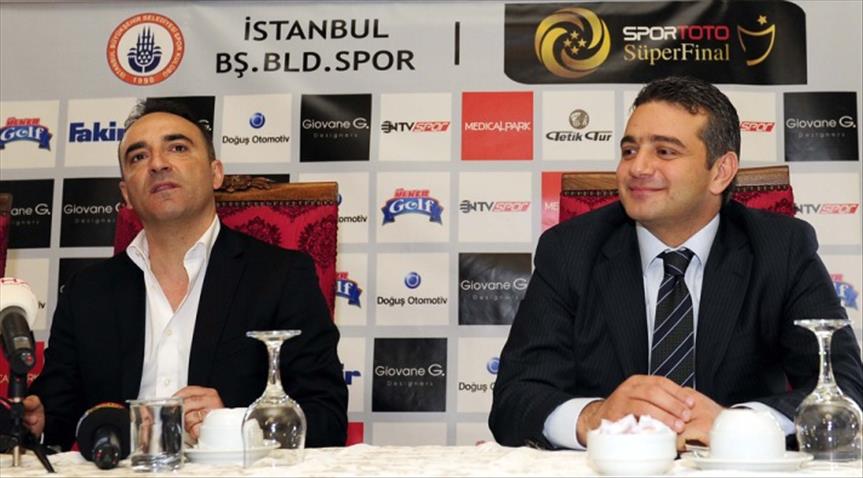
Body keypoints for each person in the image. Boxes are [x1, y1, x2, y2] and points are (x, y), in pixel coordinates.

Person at [489, 76, 863, 450]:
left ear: (721, 171)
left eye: (665, 151)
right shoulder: (569, 250)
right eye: (629, 150)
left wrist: (736, 425)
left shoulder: (781, 249)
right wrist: (592, 417)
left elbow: (845, 388)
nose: (638, 167)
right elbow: (514, 398)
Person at [22, 99, 348, 449]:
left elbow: (326, 416)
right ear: (126, 193)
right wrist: (36, 421)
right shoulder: (87, 291)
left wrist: (236, 425)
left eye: (177, 148)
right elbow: (55, 411)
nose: (158, 164)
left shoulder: (281, 276)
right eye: (138, 157)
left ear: (215, 173)